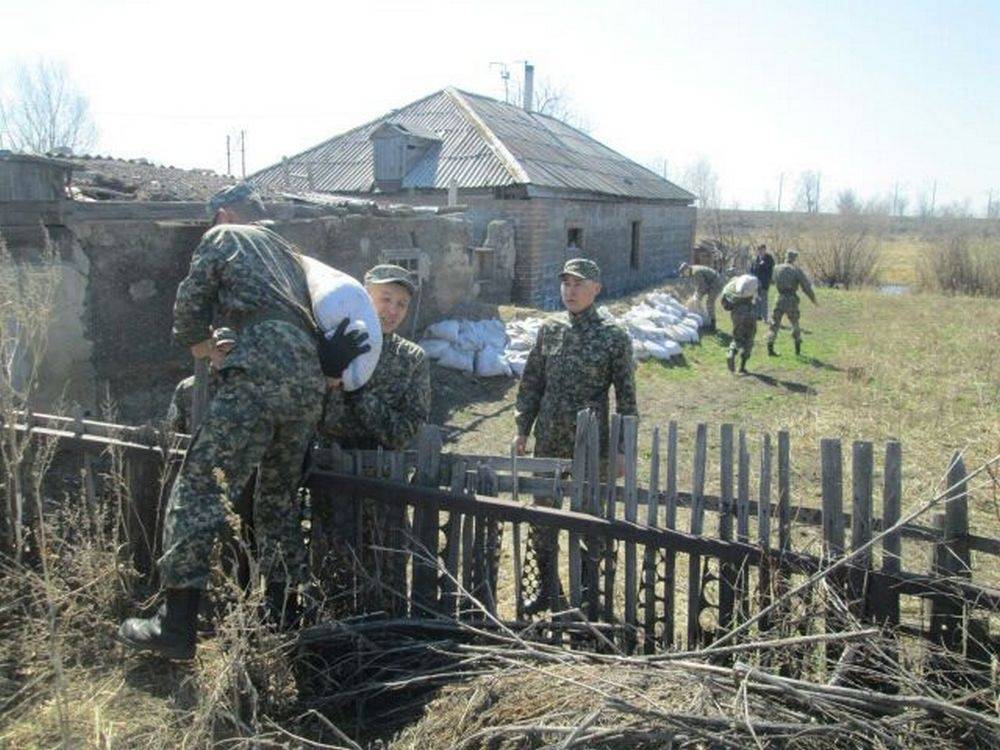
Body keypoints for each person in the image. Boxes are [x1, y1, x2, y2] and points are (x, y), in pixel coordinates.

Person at [118, 182, 369, 659]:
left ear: (225, 214)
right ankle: (282, 618)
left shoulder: (225, 238)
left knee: (198, 491)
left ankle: (174, 625)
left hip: (257, 378)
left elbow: (191, 303)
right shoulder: (289, 258)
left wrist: (199, 343)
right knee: (276, 502)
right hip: (307, 385)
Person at [513, 258, 637, 614]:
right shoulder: (549, 329)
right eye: (565, 283)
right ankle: (548, 590)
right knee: (542, 518)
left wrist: (622, 451)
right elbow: (532, 382)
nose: (570, 290)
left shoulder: (613, 336)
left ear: (596, 289)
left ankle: (588, 597)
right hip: (548, 439)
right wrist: (523, 428)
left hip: (591, 443)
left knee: (588, 522)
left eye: (579, 284)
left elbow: (627, 399)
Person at [318, 263, 430, 451]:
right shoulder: (332, 342)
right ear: (365, 297)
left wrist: (358, 394)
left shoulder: (412, 358)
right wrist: (329, 375)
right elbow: (311, 416)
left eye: (402, 304)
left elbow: (407, 433)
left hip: (384, 471)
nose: (393, 311)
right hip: (326, 464)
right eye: (386, 299)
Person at [164, 327, 236, 434]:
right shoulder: (187, 387)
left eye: (230, 352)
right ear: (210, 351)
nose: (225, 356)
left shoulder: (246, 386)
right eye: (220, 350)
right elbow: (173, 432)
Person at [766, 249, 818, 357]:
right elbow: (806, 287)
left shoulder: (776, 268)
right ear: (794, 259)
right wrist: (813, 299)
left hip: (779, 298)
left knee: (774, 324)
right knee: (795, 323)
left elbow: (772, 280)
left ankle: (770, 347)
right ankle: (797, 349)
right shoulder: (796, 270)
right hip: (791, 299)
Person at [720, 275, 759, 374]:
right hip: (749, 312)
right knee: (749, 338)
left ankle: (731, 353)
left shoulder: (729, 290)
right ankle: (742, 367)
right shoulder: (748, 284)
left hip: (736, 314)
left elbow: (726, 305)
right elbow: (755, 300)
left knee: (737, 337)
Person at [678, 261, 724, 332]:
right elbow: (701, 286)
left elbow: (703, 287)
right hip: (711, 282)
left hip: (716, 283)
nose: (685, 276)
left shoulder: (696, 273)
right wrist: (696, 296)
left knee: (710, 303)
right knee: (698, 298)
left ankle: (712, 325)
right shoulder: (692, 270)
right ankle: (707, 320)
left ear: (686, 270)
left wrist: (698, 296)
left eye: (684, 274)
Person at [750, 244, 775, 322]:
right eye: (759, 250)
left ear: (765, 250)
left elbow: (770, 269)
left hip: (764, 282)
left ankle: (765, 317)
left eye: (762, 250)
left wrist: (763, 264)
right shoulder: (755, 259)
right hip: (756, 282)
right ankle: (758, 315)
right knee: (757, 299)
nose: (760, 251)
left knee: (764, 299)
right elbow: (752, 270)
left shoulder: (769, 258)